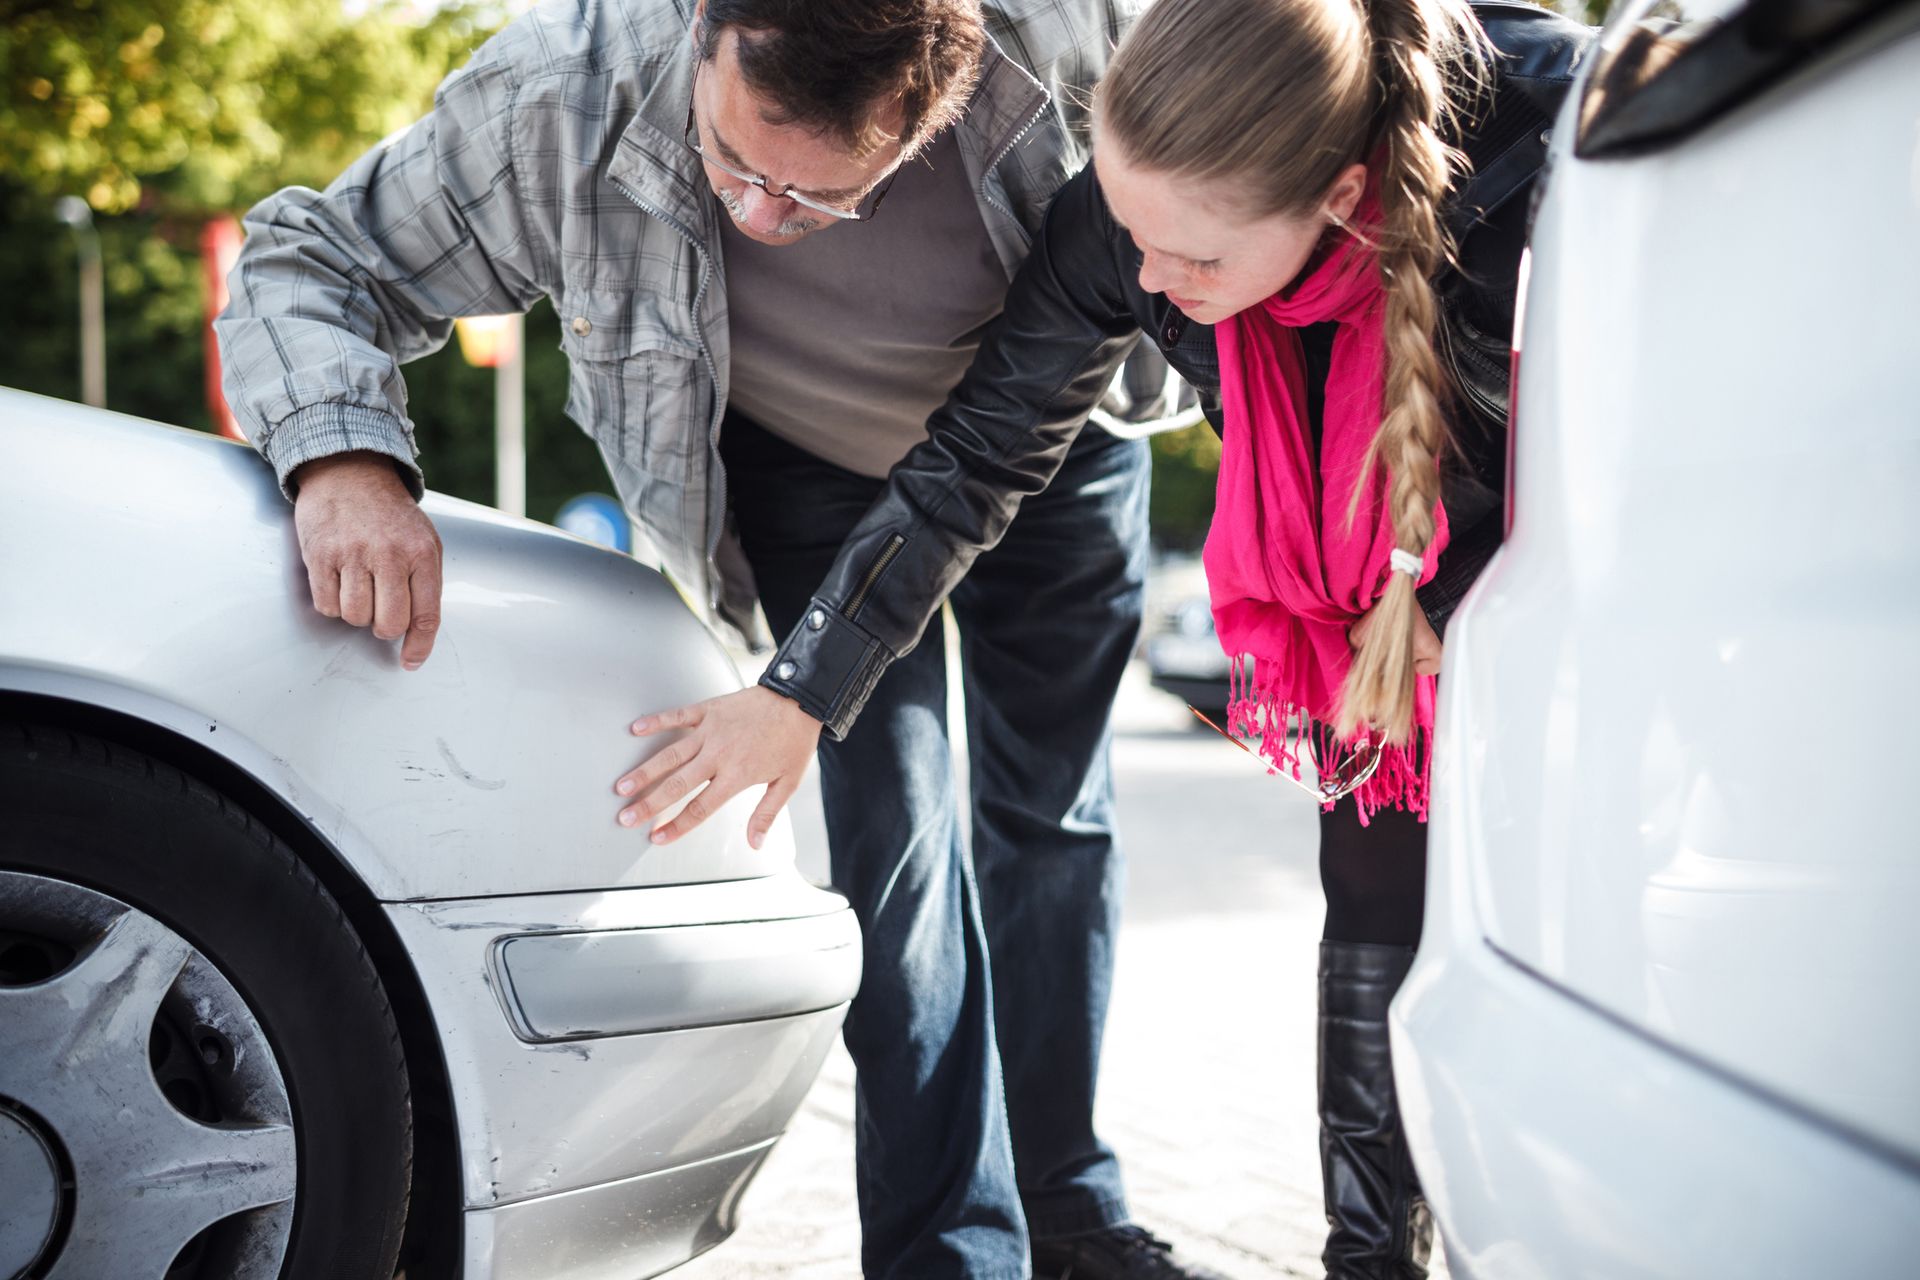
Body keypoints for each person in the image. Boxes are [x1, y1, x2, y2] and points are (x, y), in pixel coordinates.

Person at [214, 1, 1228, 1276]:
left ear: (934, 101)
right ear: (704, 31)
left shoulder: (1071, 48)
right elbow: (304, 256)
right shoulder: (562, 91)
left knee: (1051, 821)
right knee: (896, 848)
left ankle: (1070, 1206)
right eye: (738, 162)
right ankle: (952, 1254)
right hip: (815, 470)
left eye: (821, 199)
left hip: (1049, 443)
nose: (761, 216)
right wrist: (343, 458)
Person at [617, 0, 1593, 1274]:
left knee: (1564, 926)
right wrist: (804, 685)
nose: (1144, 283)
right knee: (1371, 888)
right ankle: (1370, 1257)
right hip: (1367, 614)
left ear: (1343, 197)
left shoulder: (1548, 165)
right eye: (1130, 233)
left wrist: (1498, 621)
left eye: (1190, 261)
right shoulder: (1128, 231)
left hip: (1571, 611)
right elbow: (974, 459)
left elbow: (1679, 433)